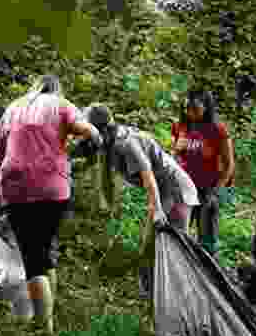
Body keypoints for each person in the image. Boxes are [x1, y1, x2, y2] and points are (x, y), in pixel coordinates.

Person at [0, 74, 103, 334]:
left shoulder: (14, 107)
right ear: (56, 89)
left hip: (15, 187)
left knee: (33, 258)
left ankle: (43, 332)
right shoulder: (61, 105)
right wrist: (87, 151)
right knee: (43, 254)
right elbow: (92, 133)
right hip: (53, 188)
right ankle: (48, 325)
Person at [80, 103, 200, 297]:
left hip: (176, 191)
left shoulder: (124, 143)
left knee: (173, 248)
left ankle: (183, 299)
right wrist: (106, 208)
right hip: (164, 191)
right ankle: (151, 297)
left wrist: (157, 209)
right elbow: (105, 178)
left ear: (99, 129)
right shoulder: (106, 144)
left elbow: (148, 175)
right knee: (150, 248)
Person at [171, 90, 235, 261]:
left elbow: (229, 165)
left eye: (195, 108)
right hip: (184, 187)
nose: (190, 112)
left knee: (207, 240)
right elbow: (174, 158)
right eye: (186, 108)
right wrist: (176, 149)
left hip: (208, 189)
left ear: (206, 107)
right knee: (177, 234)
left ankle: (211, 276)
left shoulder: (217, 129)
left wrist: (217, 192)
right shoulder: (180, 126)